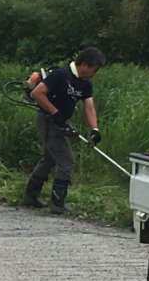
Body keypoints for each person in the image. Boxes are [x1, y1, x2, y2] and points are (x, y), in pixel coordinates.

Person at [21, 47, 106, 214]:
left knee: (50, 158)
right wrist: (55, 112)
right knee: (67, 161)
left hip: (60, 121)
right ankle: (57, 203)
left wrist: (94, 129)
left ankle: (30, 196)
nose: (94, 74)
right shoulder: (61, 75)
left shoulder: (85, 84)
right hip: (48, 121)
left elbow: (89, 108)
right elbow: (37, 93)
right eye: (94, 70)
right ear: (84, 65)